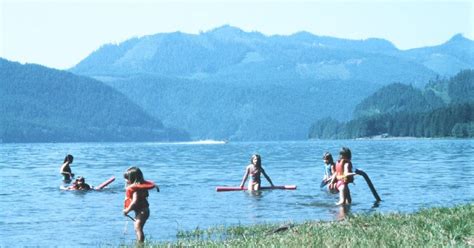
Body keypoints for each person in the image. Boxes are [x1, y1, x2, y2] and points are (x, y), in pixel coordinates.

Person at [123, 166, 159, 243]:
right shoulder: (140, 187)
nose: (125, 181)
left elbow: (134, 202)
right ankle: (139, 242)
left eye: (127, 179)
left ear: (132, 179)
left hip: (142, 212)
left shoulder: (136, 190)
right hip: (143, 211)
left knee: (138, 228)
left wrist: (127, 210)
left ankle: (140, 245)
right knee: (137, 228)